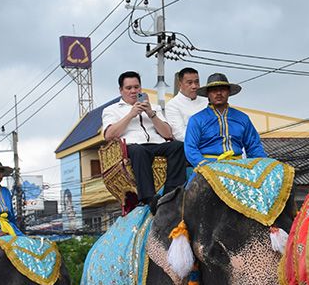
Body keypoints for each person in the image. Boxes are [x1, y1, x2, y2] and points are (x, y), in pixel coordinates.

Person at [101, 71, 187, 207]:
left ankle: (173, 192)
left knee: (178, 146)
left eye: (136, 87)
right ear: (121, 90)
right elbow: (109, 135)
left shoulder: (154, 107)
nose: (133, 91)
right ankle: (149, 197)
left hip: (156, 143)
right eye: (129, 88)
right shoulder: (111, 110)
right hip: (132, 146)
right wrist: (131, 115)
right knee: (139, 151)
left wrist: (151, 113)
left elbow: (167, 134)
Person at [183, 74, 266, 169]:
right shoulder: (197, 119)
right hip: (208, 167)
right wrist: (204, 165)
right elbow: (190, 148)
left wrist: (262, 166)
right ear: (208, 94)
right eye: (214, 90)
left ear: (228, 92)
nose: (218, 93)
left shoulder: (242, 118)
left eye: (222, 89)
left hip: (238, 166)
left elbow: (254, 146)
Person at [163, 67, 209, 142]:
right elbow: (179, 134)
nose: (194, 86)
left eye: (196, 82)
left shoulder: (207, 101)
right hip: (190, 146)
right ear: (180, 84)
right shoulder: (172, 105)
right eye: (189, 83)